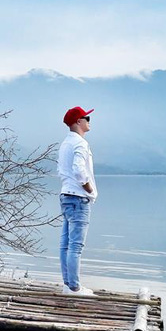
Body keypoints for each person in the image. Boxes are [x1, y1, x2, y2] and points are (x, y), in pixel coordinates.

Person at [57, 106, 97, 296]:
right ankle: (74, 287)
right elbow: (79, 170)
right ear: (78, 122)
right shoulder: (80, 144)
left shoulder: (65, 143)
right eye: (86, 117)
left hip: (65, 195)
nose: (89, 121)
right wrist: (89, 189)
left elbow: (61, 170)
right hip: (78, 198)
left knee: (65, 244)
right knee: (76, 246)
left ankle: (68, 284)